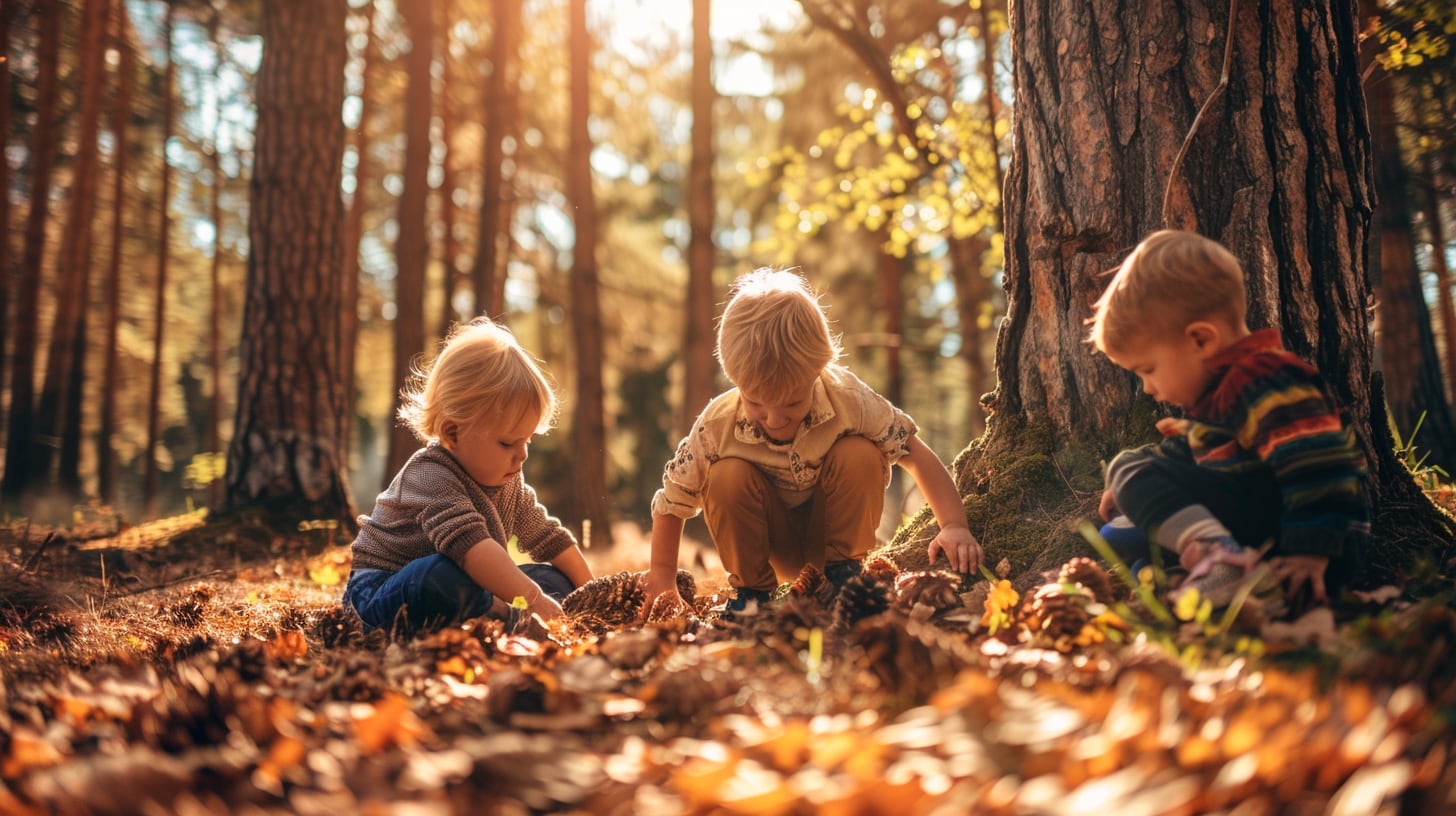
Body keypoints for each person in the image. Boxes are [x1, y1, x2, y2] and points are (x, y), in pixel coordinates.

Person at [643, 268, 982, 613]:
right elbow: (672, 502)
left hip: (835, 541)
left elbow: (912, 451)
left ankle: (844, 579)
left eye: (792, 403)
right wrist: (663, 575)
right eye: (756, 403)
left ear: (817, 371)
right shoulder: (716, 424)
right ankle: (752, 597)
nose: (775, 419)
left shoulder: (848, 398)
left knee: (860, 452)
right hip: (768, 549)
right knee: (725, 475)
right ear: (734, 379)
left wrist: (954, 525)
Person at [1089, 230, 1370, 605]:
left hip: (1304, 544)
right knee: (1122, 525)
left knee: (1129, 468)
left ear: (1201, 340)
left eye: (1149, 369)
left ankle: (1219, 561)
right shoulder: (1221, 392)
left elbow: (1319, 463)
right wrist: (1133, 487)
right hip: (1262, 529)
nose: (1148, 389)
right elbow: (1196, 455)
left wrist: (1311, 548)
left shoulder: (1265, 379)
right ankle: (1203, 578)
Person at [343, 317, 593, 635]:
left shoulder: (507, 479)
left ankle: (497, 615)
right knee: (441, 574)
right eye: (507, 442)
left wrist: (591, 592)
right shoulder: (430, 476)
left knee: (556, 579)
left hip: (469, 585)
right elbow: (475, 552)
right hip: (382, 592)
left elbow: (549, 538)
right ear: (453, 433)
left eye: (527, 440)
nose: (523, 454)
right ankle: (506, 618)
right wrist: (533, 600)